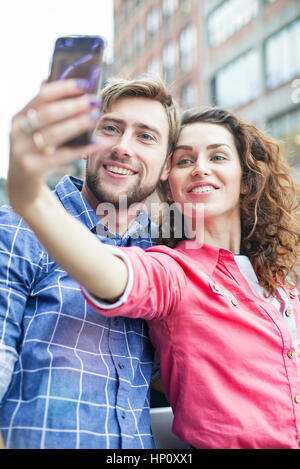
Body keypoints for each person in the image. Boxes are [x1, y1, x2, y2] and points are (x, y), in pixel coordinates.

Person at [7, 105, 300, 449]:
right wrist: (32, 199)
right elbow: (109, 272)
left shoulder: (280, 283)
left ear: (245, 176)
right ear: (168, 180)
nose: (200, 169)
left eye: (218, 157)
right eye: (185, 161)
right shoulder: (173, 270)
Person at [0, 75, 180, 449]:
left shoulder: (165, 259)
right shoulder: (19, 226)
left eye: (146, 136)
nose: (123, 148)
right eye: (111, 129)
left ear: (166, 166)